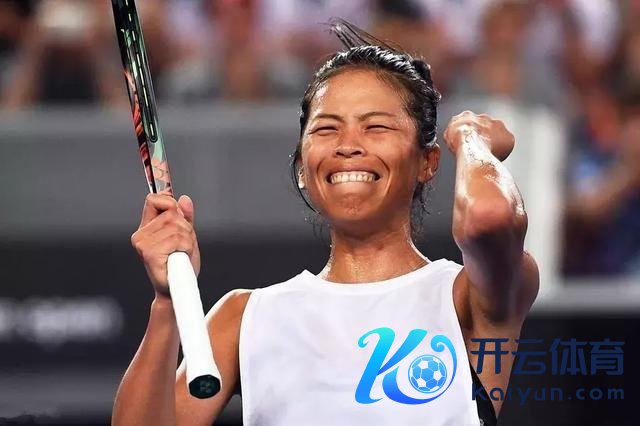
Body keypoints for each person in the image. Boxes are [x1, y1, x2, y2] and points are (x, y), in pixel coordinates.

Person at [112, 20, 539, 426]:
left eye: (376, 127)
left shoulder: (468, 296)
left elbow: (488, 217)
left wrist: (471, 137)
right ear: (303, 166)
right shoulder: (244, 317)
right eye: (327, 129)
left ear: (427, 163)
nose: (348, 145)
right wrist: (167, 301)